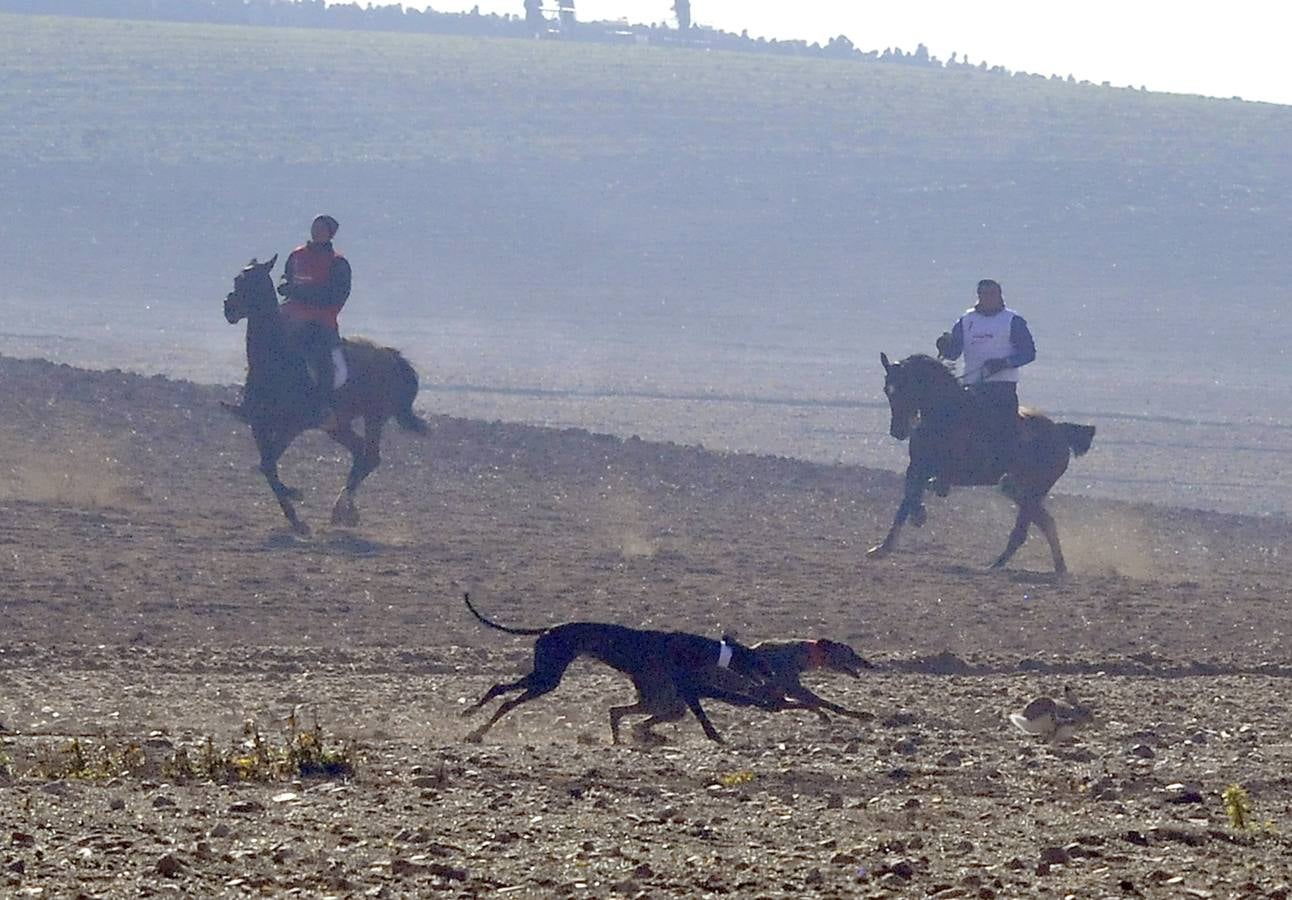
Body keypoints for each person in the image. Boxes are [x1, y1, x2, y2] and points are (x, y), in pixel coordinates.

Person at [935, 279, 1036, 473]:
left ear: (1000, 295)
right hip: (972, 385)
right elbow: (954, 353)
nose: (988, 298)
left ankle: (1009, 469)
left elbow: (1028, 352)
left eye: (992, 294)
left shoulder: (1012, 320)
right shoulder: (966, 320)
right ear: (978, 296)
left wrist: (1005, 363)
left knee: (1004, 427)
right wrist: (945, 347)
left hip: (1001, 386)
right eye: (984, 294)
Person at [278, 215, 351, 424]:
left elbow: (335, 296)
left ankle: (323, 406)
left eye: (321, 228)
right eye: (314, 227)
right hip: (291, 315)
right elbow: (287, 277)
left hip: (321, 321)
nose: (317, 231)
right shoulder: (296, 255)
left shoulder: (338, 263)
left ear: (330, 234)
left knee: (321, 357)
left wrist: (301, 293)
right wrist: (285, 286)